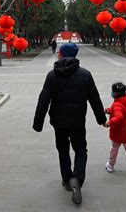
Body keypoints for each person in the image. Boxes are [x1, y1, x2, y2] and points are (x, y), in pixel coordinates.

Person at [33, 43, 107, 205]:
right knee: (81, 150)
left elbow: (43, 100)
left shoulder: (52, 75)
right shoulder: (85, 75)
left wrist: (38, 123)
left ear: (62, 54)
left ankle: (67, 180)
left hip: (58, 123)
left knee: (63, 150)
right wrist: (101, 119)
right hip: (78, 122)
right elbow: (95, 99)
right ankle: (77, 179)